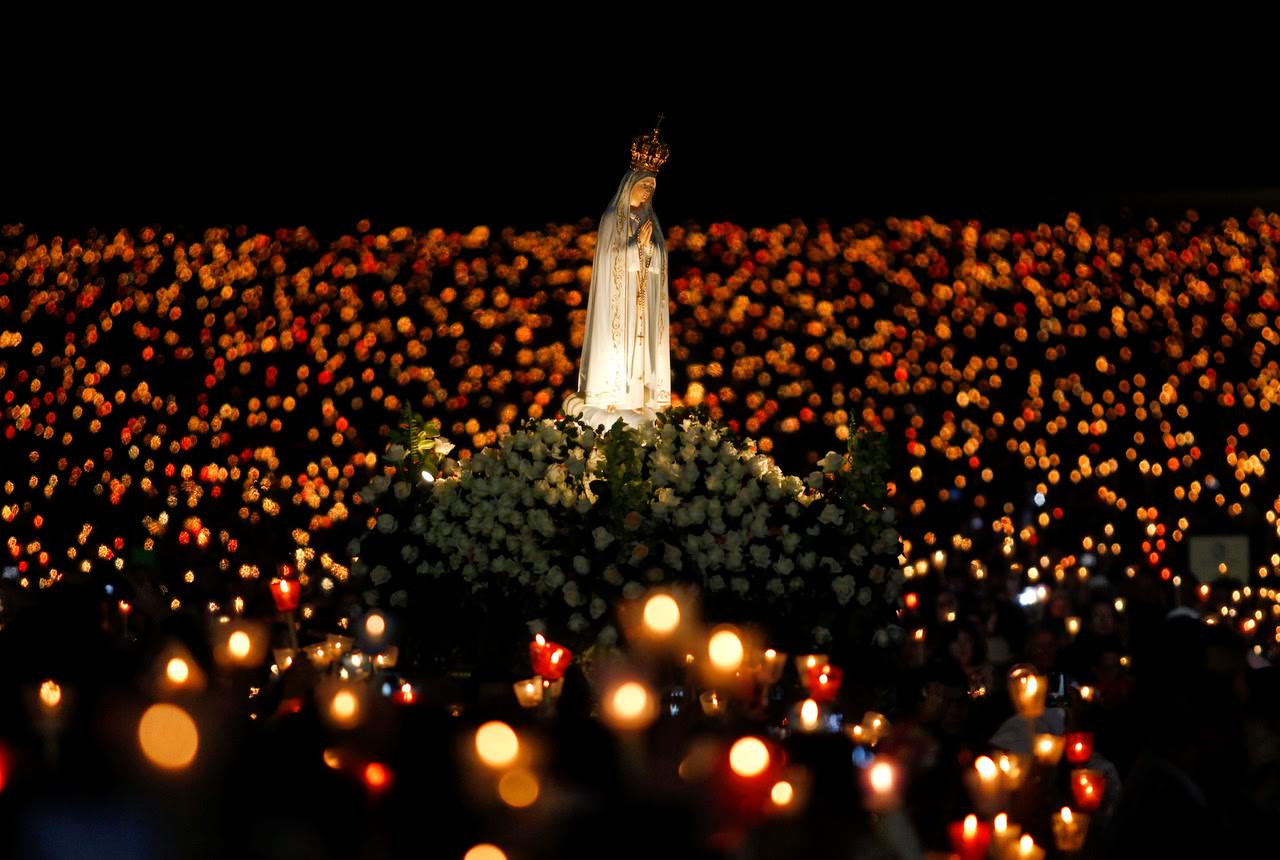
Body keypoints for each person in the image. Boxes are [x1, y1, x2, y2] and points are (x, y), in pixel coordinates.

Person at [571, 118, 672, 431]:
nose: (646, 193)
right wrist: (633, 247)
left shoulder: (649, 220)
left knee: (641, 348)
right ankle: (612, 394)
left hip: (641, 300)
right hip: (620, 300)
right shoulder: (613, 217)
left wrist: (650, 249)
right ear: (631, 183)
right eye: (643, 186)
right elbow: (610, 259)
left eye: (651, 189)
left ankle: (639, 395)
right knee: (621, 346)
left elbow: (659, 259)